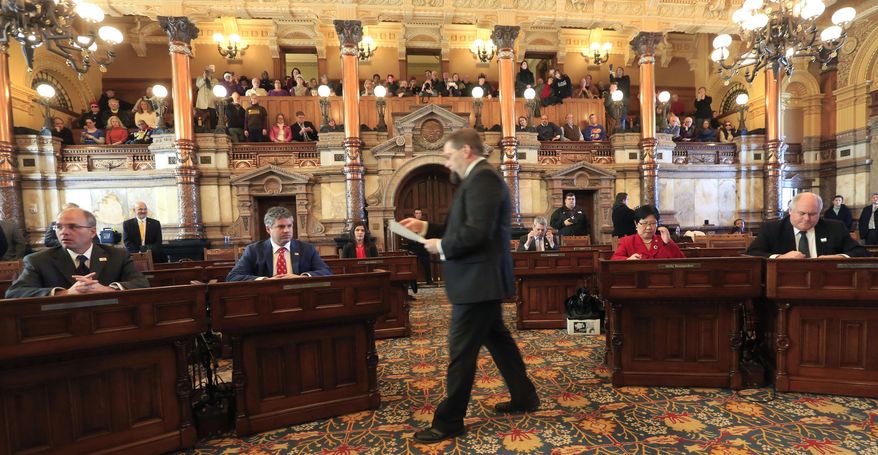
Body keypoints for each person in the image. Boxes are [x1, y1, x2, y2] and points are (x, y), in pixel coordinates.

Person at [399, 129, 538, 443]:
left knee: (461, 351)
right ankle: (524, 396)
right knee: (499, 342)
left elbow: (476, 233)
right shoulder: (476, 179)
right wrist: (426, 226)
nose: (447, 163)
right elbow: (461, 225)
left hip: (479, 281)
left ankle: (449, 420)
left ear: (466, 151)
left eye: (449, 156)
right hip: (481, 280)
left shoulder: (484, 179)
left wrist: (441, 245)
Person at [6, 208, 149, 298]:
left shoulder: (117, 255)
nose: (64, 232)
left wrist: (108, 289)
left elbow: (142, 284)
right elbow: (14, 293)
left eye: (73, 227)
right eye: (59, 227)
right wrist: (65, 293)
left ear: (92, 232)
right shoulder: (38, 260)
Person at [747, 192, 867, 258]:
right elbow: (752, 254)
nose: (807, 219)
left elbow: (861, 252)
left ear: (819, 212)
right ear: (790, 211)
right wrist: (779, 258)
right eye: (802, 213)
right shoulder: (772, 229)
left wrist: (839, 257)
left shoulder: (835, 228)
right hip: (786, 282)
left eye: (813, 214)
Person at [227, 206, 332, 281]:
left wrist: (302, 277)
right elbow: (233, 277)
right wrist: (265, 280)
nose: (287, 230)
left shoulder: (307, 249)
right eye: (281, 227)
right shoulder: (254, 250)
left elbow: (326, 272)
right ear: (268, 229)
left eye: (289, 226)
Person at [611, 205, 685, 260]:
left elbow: (682, 261)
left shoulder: (664, 240)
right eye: (644, 223)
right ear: (636, 224)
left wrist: (668, 243)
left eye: (653, 223)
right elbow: (615, 259)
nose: (649, 227)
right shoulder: (626, 241)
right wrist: (628, 260)